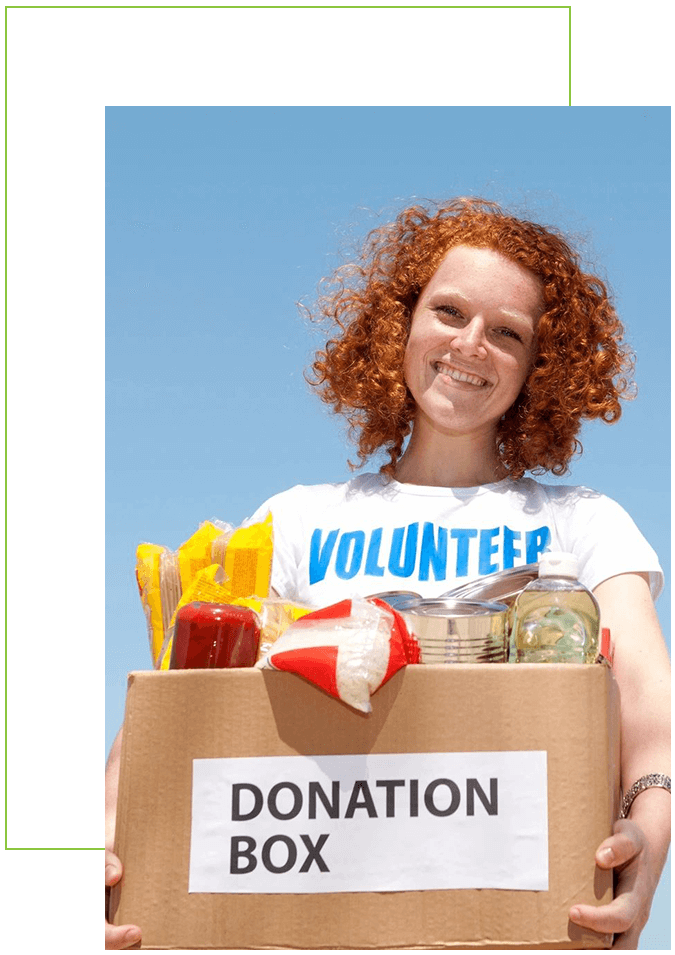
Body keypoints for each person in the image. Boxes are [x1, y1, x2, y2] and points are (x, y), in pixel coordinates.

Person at [105, 197, 670, 950]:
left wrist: (647, 835)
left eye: (507, 332)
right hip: (306, 911)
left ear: (541, 366)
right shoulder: (296, 520)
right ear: (398, 323)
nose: (471, 344)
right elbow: (186, 705)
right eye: (448, 311)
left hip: (505, 918)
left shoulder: (583, 524)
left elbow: (650, 721)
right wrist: (116, 842)